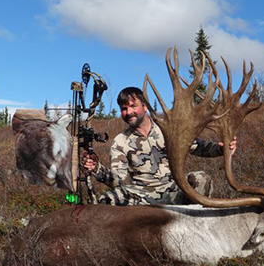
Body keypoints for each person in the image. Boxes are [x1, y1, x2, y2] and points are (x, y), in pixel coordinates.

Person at [82, 86, 236, 206]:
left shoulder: (170, 131)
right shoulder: (120, 141)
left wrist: (221, 149)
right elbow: (119, 180)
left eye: (133, 106)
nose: (128, 112)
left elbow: (199, 147)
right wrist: (97, 169)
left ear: (145, 107)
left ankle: (199, 225)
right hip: (140, 195)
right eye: (124, 108)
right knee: (106, 200)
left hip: (173, 189)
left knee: (201, 178)